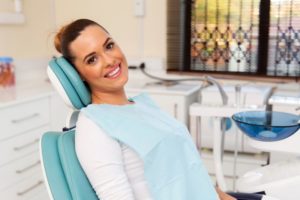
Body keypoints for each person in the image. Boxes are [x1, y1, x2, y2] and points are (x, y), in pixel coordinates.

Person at [54, 18, 236, 200]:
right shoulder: (94, 127)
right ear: (79, 75)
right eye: (92, 59)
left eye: (109, 46)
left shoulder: (143, 105)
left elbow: (191, 172)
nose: (109, 60)